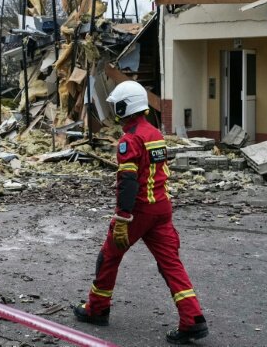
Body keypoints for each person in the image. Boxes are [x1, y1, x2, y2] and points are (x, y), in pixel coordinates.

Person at [73, 80, 208, 345]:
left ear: (126, 107)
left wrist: (122, 217)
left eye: (117, 106)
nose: (114, 110)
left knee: (109, 256)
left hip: (139, 212)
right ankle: (192, 319)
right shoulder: (155, 134)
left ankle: (97, 309)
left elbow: (128, 182)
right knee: (171, 264)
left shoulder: (130, 139)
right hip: (162, 209)